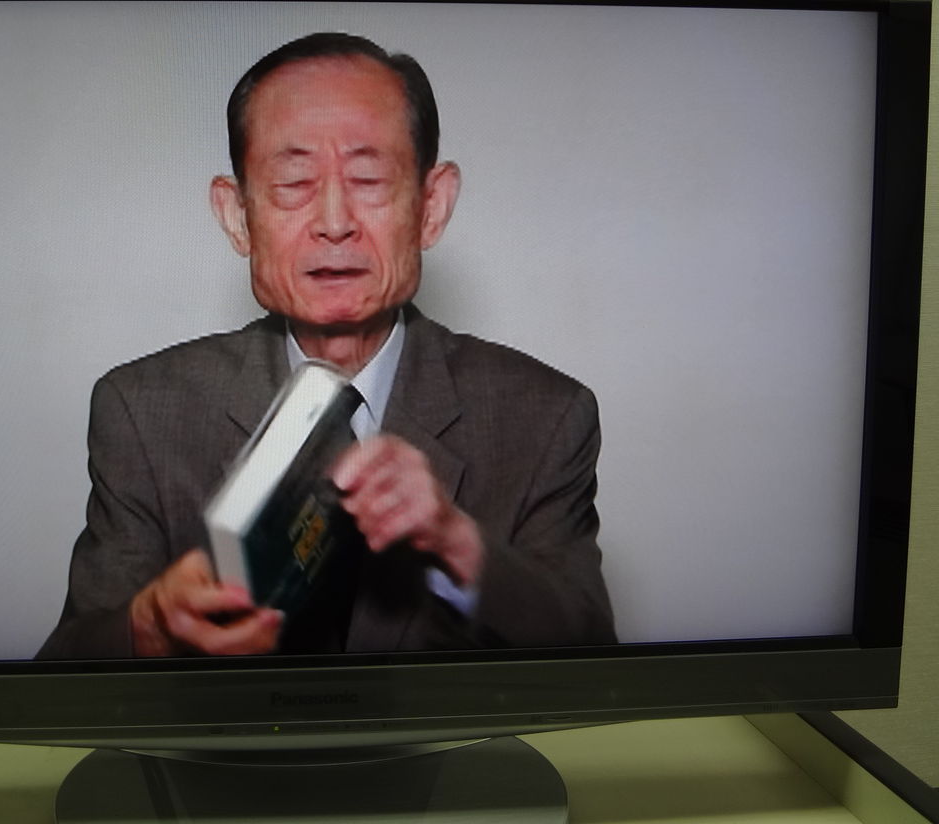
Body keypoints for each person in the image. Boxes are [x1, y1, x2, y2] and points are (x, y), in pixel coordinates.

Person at [38, 32, 615, 659]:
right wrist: (148, 627)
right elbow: (61, 677)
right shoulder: (142, 412)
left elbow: (594, 664)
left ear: (431, 207)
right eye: (293, 182)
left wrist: (459, 545)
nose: (335, 223)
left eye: (368, 178)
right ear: (237, 216)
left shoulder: (545, 417)